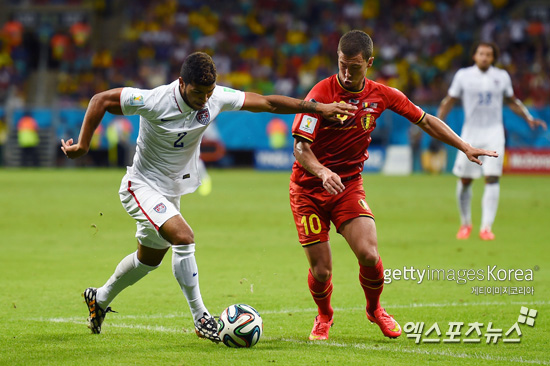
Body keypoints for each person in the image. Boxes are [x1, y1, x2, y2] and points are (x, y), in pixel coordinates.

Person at [61, 52, 356, 341]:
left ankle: (98, 298)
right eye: (198, 92)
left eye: (209, 92)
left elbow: (266, 102)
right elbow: (100, 100)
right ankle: (202, 318)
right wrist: (84, 145)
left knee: (148, 260)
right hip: (141, 185)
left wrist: (317, 108)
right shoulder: (154, 100)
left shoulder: (215, 98)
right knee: (184, 237)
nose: (205, 99)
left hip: (170, 191)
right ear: (181, 83)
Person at [289, 30, 498, 341]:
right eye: (342, 64)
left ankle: (375, 309)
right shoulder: (320, 95)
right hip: (308, 189)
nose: (347, 72)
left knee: (370, 255)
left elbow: (425, 120)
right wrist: (321, 172)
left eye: (355, 66)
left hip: (347, 186)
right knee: (321, 271)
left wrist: (463, 146)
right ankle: (324, 315)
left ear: (370, 63)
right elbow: (300, 148)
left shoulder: (382, 95)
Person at [437, 42, 547, 241]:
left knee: (493, 177)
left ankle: (486, 227)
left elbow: (512, 101)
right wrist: (437, 122)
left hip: (494, 133)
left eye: (488, 54)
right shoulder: (463, 75)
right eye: (481, 53)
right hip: (469, 133)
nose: (485, 57)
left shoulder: (501, 77)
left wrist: (528, 117)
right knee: (465, 180)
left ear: (493, 58)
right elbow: (449, 100)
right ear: (474, 56)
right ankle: (465, 224)